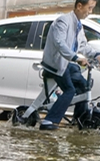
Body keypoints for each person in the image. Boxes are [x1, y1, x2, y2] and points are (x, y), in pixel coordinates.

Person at [39, 0, 100, 131]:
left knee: (84, 86)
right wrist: (76, 58)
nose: (90, 12)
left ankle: (79, 119)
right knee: (70, 90)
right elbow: (60, 44)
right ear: (79, 6)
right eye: (89, 8)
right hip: (55, 64)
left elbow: (83, 45)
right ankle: (49, 121)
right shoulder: (63, 21)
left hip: (66, 63)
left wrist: (96, 55)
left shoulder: (78, 24)